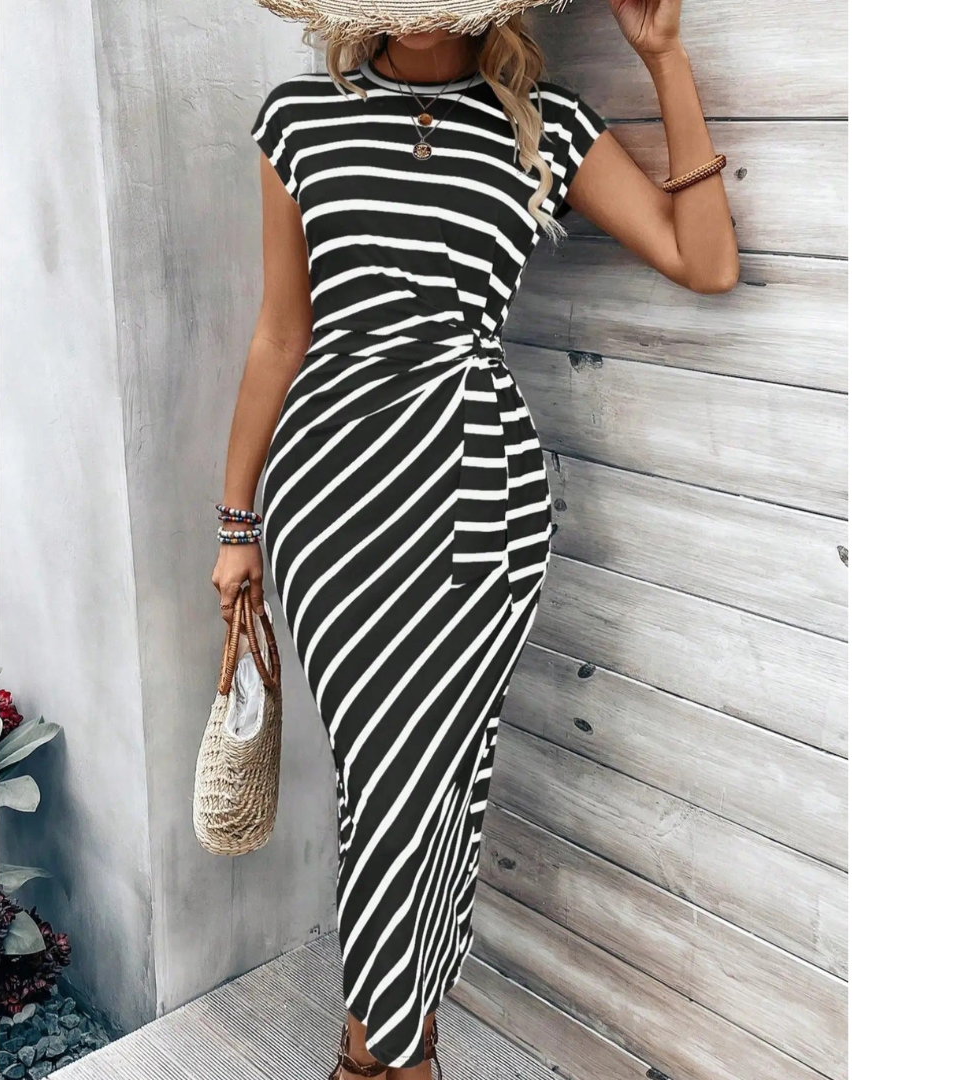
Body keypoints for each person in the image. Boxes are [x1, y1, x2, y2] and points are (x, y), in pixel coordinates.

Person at [212, 1, 737, 1076]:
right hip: (330, 494)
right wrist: (236, 522)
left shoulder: (546, 122)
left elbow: (705, 261)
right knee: (383, 777)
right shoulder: (299, 118)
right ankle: (396, 1048)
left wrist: (665, 59)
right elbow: (280, 332)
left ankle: (380, 1048)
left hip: (478, 489)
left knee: (443, 774)